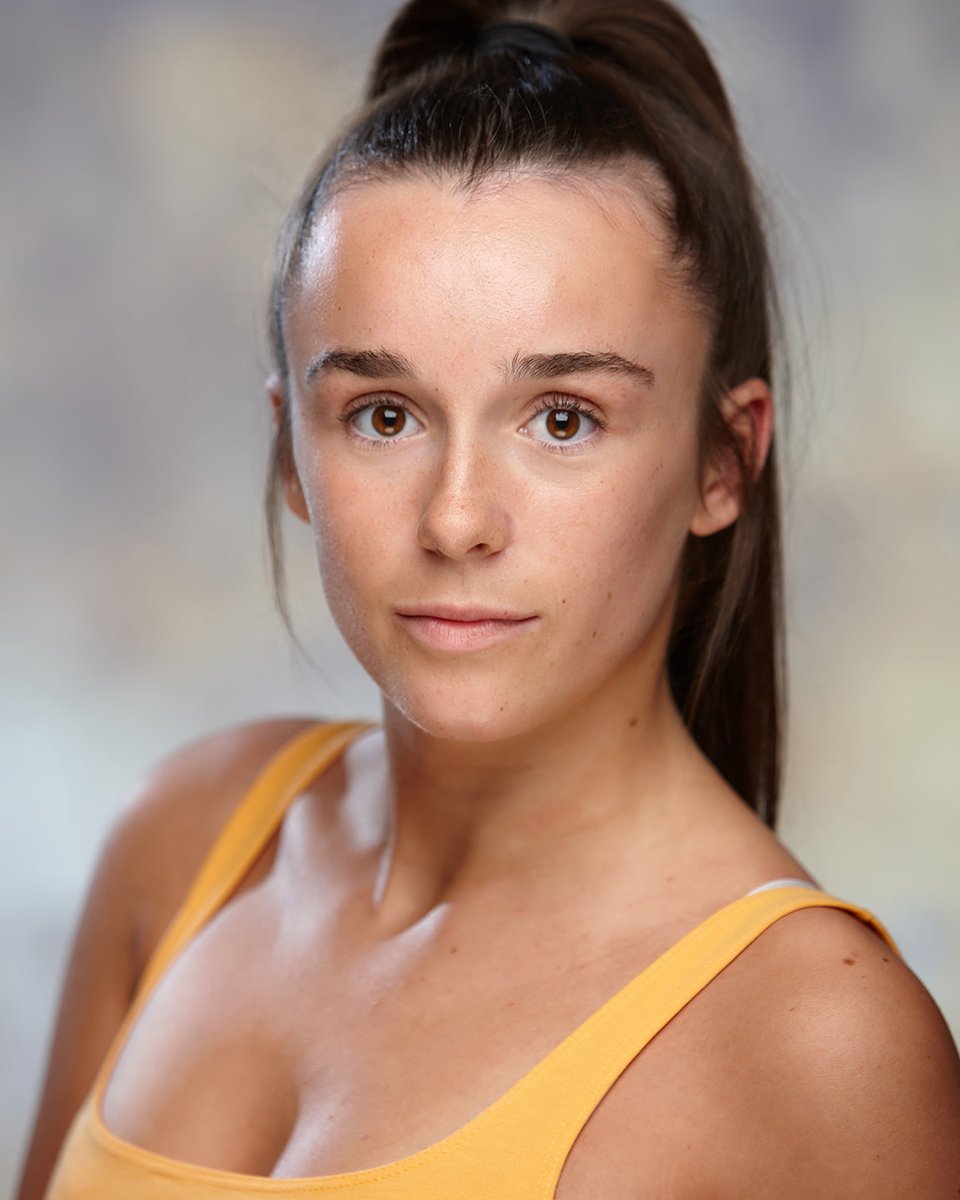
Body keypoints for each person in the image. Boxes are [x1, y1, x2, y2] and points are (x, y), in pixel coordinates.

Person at [16, 1, 960, 1197]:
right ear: (289, 455)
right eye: (384, 415)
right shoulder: (185, 843)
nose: (457, 518)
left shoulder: (817, 1042)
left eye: (563, 420)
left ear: (723, 463)